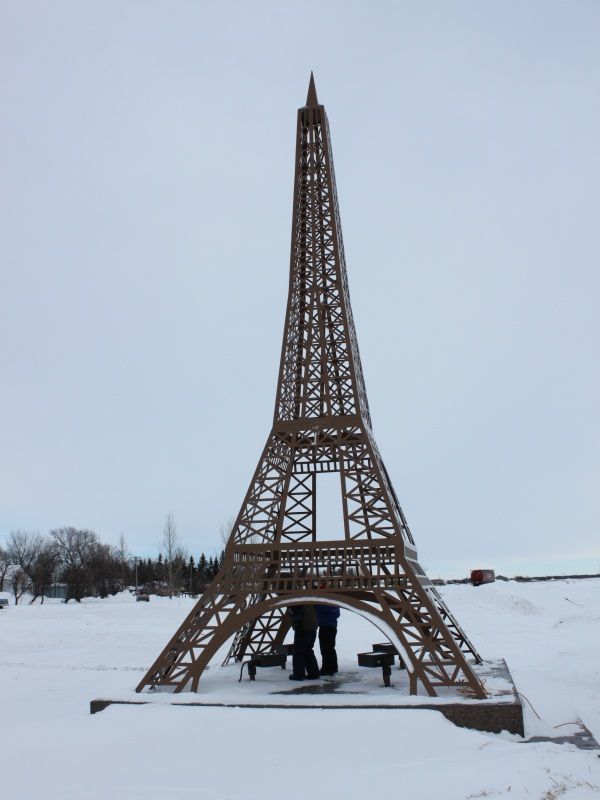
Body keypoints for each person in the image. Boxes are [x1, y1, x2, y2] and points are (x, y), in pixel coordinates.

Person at [287, 605, 319, 681]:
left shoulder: (298, 601)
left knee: (298, 652)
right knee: (308, 651)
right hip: (312, 628)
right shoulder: (310, 600)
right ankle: (314, 673)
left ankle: (298, 675)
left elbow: (297, 616)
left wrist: (297, 627)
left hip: (303, 629)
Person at [316, 604, 340, 675]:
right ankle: (333, 667)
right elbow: (338, 614)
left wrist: (315, 605)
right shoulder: (334, 605)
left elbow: (320, 608)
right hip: (331, 626)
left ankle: (327, 668)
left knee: (325, 649)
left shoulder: (325, 605)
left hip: (325, 626)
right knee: (330, 648)